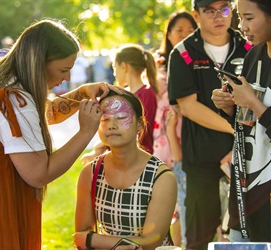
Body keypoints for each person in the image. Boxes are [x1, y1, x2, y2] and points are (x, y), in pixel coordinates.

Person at [0, 19, 120, 249]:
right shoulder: (13, 97)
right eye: (64, 70)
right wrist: (86, 132)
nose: (68, 78)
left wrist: (81, 94)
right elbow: (39, 174)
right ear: (39, 63)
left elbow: (39, 116)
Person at [211, 0, 271, 245]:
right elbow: (250, 125)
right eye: (240, 18)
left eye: (249, 18)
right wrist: (231, 106)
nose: (242, 26)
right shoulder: (254, 55)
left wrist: (254, 103)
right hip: (248, 195)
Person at [167, 0, 251, 249]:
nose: (219, 16)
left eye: (224, 9)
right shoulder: (182, 52)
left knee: (243, 236)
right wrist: (234, 131)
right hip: (200, 161)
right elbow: (188, 106)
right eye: (210, 11)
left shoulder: (248, 47)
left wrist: (238, 143)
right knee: (198, 238)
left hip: (245, 160)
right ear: (197, 14)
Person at [73, 88, 177, 249]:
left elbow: (151, 242)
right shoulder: (91, 173)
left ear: (140, 124)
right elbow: (81, 235)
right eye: (104, 119)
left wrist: (93, 240)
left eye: (121, 118)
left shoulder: (161, 177)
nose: (112, 126)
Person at [153, 11, 198, 247]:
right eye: (179, 30)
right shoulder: (156, 64)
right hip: (163, 135)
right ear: (168, 34)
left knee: (184, 197)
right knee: (162, 194)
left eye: (190, 30)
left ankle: (180, 242)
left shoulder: (199, 61)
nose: (185, 35)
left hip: (189, 132)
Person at [81, 44, 158, 164]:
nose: (114, 73)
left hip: (140, 161)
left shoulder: (147, 94)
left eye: (114, 67)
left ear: (124, 66)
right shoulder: (122, 94)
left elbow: (137, 132)